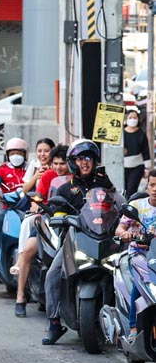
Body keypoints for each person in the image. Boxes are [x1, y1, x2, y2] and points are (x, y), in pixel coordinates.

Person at [43, 139, 115, 345]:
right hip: (75, 239)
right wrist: (60, 217)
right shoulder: (66, 189)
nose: (85, 162)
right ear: (73, 162)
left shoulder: (104, 184)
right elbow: (57, 213)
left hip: (103, 238)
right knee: (53, 275)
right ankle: (54, 322)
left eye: (88, 158)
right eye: (80, 158)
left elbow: (117, 205)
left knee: (124, 268)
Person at [11, 145, 69, 316]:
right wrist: (38, 204)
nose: (58, 167)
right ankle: (20, 296)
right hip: (49, 222)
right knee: (28, 250)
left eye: (63, 163)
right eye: (56, 163)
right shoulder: (48, 176)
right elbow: (38, 198)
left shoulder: (77, 177)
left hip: (72, 225)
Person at [115, 169, 156, 342]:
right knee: (141, 283)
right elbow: (120, 228)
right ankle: (133, 326)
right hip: (140, 254)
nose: (155, 189)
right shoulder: (138, 206)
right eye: (153, 185)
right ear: (147, 185)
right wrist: (124, 234)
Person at [123, 106, 150, 197]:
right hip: (122, 166)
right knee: (123, 189)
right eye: (130, 117)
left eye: (135, 118)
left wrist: (147, 168)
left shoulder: (141, 133)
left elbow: (146, 151)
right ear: (126, 119)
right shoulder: (121, 133)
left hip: (137, 166)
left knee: (132, 189)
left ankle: (130, 208)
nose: (133, 120)